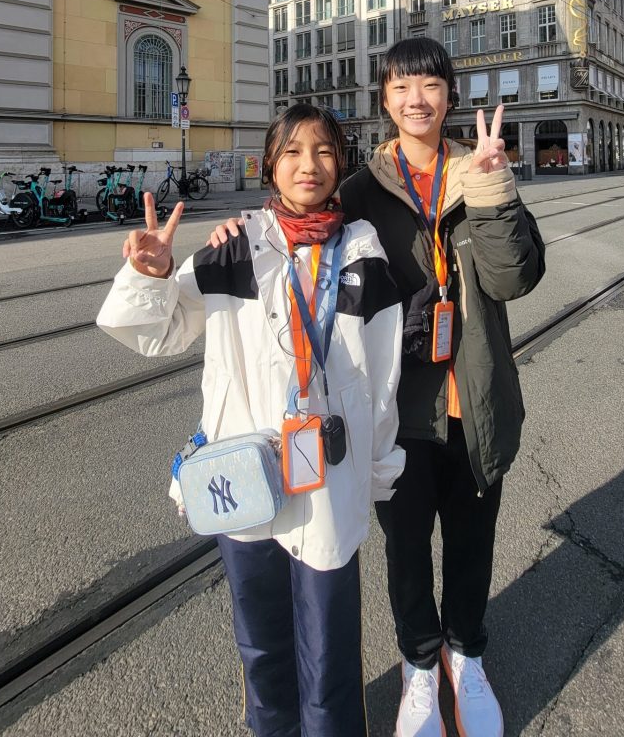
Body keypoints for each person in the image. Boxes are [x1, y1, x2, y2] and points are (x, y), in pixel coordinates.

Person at [210, 37, 545, 736]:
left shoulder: (482, 169)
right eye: (401, 87)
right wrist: (238, 234)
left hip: (476, 395)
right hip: (396, 411)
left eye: (430, 86)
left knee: (472, 541)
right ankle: (420, 664)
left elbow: (515, 278)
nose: (416, 100)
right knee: (405, 549)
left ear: (450, 96)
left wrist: (492, 188)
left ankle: (467, 655)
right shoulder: (360, 191)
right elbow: (299, 237)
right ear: (385, 100)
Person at [97, 103, 405, 737]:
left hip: (327, 479)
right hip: (243, 474)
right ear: (270, 165)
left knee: (329, 651)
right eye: (291, 152)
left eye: (323, 151)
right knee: (261, 646)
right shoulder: (235, 246)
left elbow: (383, 377)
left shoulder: (362, 251)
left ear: (340, 164)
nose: (308, 165)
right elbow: (157, 333)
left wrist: (376, 473)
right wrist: (151, 273)